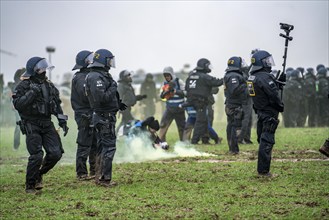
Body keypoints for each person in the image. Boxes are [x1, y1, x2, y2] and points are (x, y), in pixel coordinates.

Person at [12, 57, 69, 193]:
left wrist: (62, 121)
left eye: (45, 68)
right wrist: (32, 92)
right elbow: (18, 105)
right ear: (34, 69)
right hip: (31, 123)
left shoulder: (49, 85)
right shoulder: (23, 85)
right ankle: (30, 185)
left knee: (56, 153)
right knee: (36, 155)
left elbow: (56, 105)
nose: (44, 71)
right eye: (41, 68)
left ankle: (39, 174)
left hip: (47, 123)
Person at [85, 49, 127, 187]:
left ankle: (99, 177)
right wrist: (113, 87)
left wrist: (117, 104)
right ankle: (104, 179)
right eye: (109, 60)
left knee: (102, 147)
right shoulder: (96, 77)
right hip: (104, 118)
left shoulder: (98, 75)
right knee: (108, 148)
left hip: (103, 116)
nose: (111, 63)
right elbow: (101, 98)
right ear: (103, 61)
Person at [247, 50, 283, 177]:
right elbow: (272, 95)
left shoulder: (252, 76)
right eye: (267, 60)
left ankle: (262, 170)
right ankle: (263, 172)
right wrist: (280, 106)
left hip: (260, 112)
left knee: (262, 139)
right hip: (268, 113)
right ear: (261, 62)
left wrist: (277, 83)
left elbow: (262, 91)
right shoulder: (265, 77)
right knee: (267, 140)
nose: (269, 63)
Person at [71, 50, 97, 180]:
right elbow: (85, 94)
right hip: (83, 114)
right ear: (84, 62)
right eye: (90, 58)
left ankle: (94, 170)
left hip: (91, 113)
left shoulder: (89, 75)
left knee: (94, 143)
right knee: (84, 143)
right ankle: (81, 173)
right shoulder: (80, 77)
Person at [185, 58, 223, 144]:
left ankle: (216, 138)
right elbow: (217, 82)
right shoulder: (204, 77)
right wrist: (227, 77)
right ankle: (194, 141)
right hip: (201, 103)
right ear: (204, 66)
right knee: (199, 122)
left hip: (191, 102)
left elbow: (187, 89)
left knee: (205, 121)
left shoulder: (191, 76)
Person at [223, 56, 248, 154]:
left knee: (231, 126)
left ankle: (233, 149)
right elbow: (234, 90)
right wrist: (246, 84)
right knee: (234, 126)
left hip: (232, 104)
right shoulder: (233, 75)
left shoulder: (231, 74)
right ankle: (233, 150)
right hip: (234, 105)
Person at [158, 66, 186, 141]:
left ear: (172, 74)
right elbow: (162, 98)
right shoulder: (164, 84)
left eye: (168, 75)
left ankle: (183, 143)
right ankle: (162, 142)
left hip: (179, 109)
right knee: (163, 125)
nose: (167, 77)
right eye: (165, 76)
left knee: (182, 127)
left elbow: (186, 93)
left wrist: (175, 91)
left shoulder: (179, 81)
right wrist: (164, 94)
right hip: (169, 109)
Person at [12, 68, 25, 150]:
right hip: (18, 108)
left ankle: (30, 147)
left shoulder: (26, 83)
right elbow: (13, 96)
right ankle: (16, 146)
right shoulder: (16, 85)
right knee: (18, 127)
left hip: (24, 107)